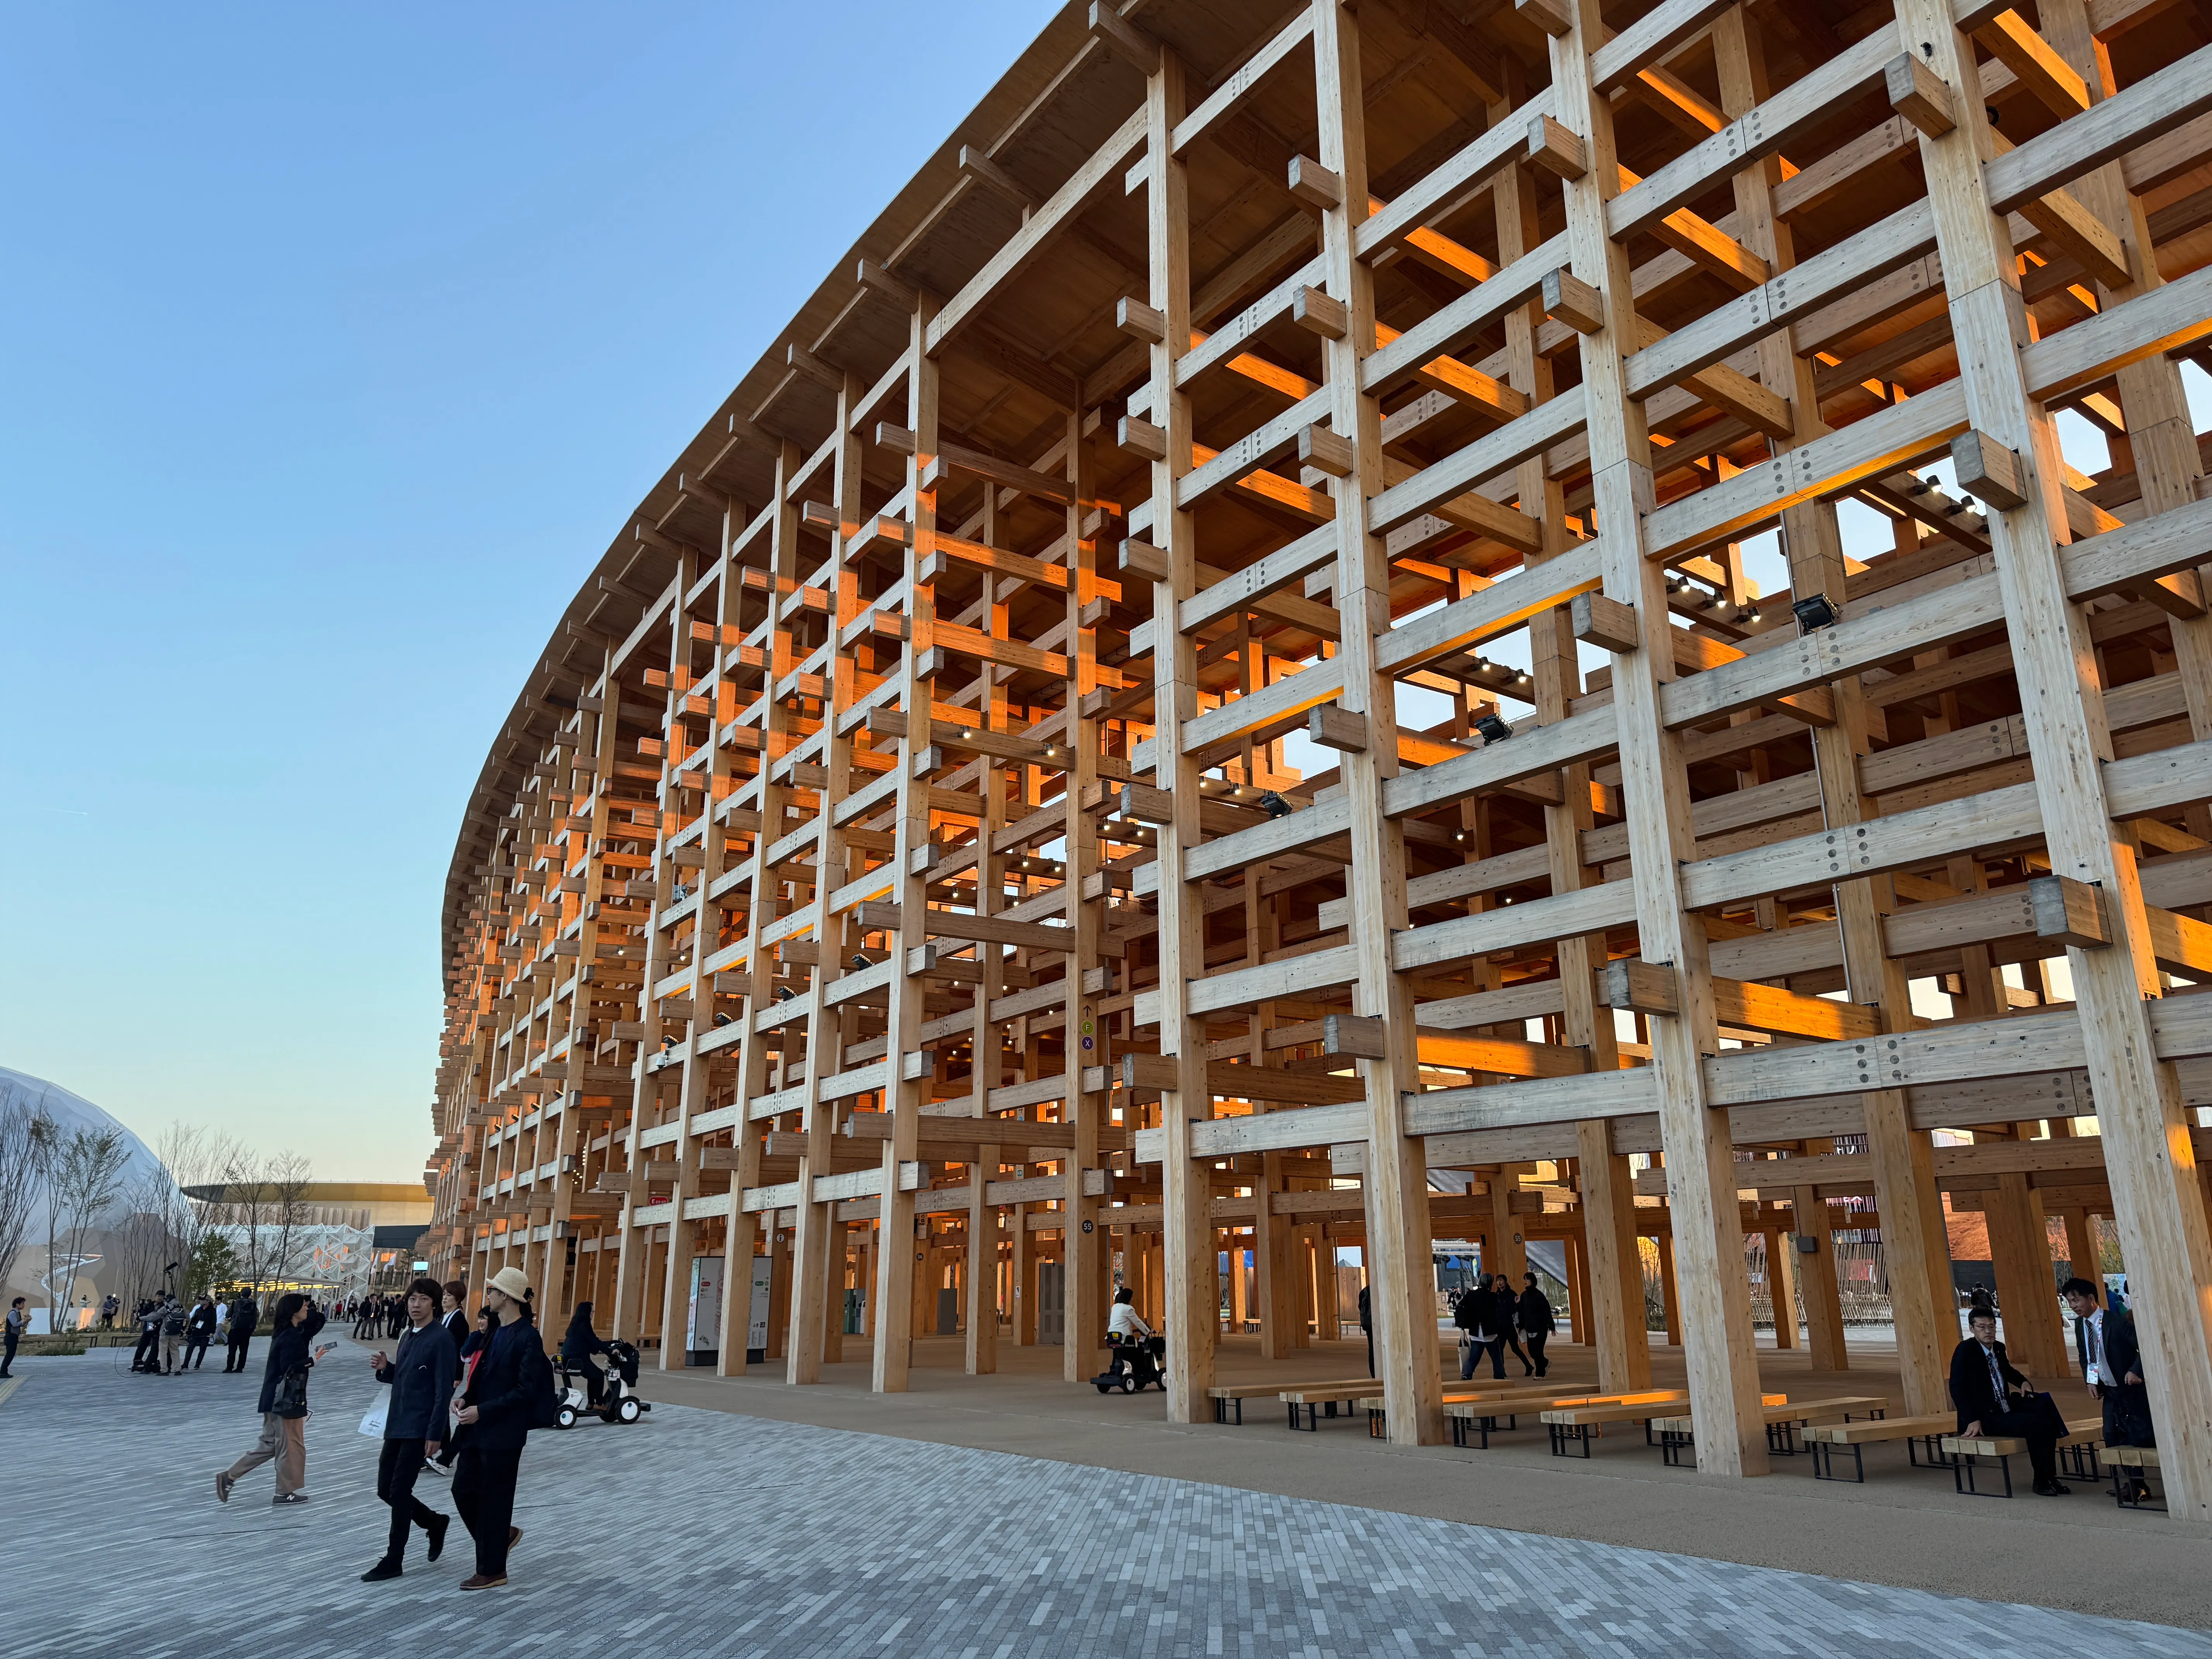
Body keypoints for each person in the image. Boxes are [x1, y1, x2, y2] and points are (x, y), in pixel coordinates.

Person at [452, 1266, 551, 1589]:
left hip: (504, 1432)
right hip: (478, 1427)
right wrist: (467, 1399)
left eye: (492, 1291)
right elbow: (484, 1378)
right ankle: (501, 1537)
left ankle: (493, 1569)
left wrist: (484, 1411)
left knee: (495, 1499)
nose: (488, 1296)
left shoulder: (528, 1337)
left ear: (506, 1297)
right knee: (463, 1491)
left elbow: (525, 1391)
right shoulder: (495, 1331)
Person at [361, 1277, 457, 1581]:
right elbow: (402, 1378)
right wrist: (386, 1369)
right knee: (385, 1489)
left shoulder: (441, 1339)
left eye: (424, 1300)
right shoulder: (407, 1336)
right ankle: (434, 1522)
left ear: (434, 1304)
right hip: (398, 1423)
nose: (416, 1305)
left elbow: (443, 1390)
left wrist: (435, 1433)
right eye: (412, 1299)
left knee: (400, 1491)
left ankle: (394, 1559)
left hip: (420, 1427)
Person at [216, 1292, 330, 1507]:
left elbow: (317, 1321)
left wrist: (309, 1306)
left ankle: (229, 1476)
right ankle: (284, 1492)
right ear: (293, 1311)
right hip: (285, 1401)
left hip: (274, 1398)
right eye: (304, 1306)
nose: (307, 1308)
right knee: (290, 1446)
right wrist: (314, 1359)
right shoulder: (290, 1336)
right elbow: (289, 1366)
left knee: (270, 1445)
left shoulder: (291, 1332)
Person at [1951, 1304, 2070, 1496]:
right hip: (1984, 1417)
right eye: (1982, 1327)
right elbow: (1957, 1387)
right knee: (2035, 1425)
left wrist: (2022, 1381)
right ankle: (2041, 1480)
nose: (1988, 1331)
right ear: (1972, 1329)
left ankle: (2049, 1477)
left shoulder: (1998, 1348)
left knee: (2046, 1420)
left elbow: (2006, 1370)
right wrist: (1971, 1418)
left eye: (1992, 1326)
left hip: (2005, 1409)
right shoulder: (1965, 1351)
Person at [2066, 1275, 2153, 1499]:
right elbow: (2087, 1356)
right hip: (2110, 1391)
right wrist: (2091, 1381)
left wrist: (2136, 1370)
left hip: (2131, 1389)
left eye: (2076, 1300)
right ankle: (2136, 1484)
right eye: (2069, 1301)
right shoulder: (2080, 1325)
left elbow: (2145, 1347)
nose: (2073, 1306)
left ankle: (2139, 1485)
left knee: (2138, 1436)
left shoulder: (2115, 1322)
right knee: (2111, 1436)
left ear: (2091, 1298)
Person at [560, 1302, 612, 1408]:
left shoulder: (576, 1323)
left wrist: (598, 1350)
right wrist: (611, 1353)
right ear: (586, 1312)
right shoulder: (584, 1324)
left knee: (593, 1376)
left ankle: (591, 1404)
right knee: (599, 1375)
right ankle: (598, 1404)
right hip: (578, 1360)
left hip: (569, 1358)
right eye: (592, 1312)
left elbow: (587, 1342)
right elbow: (594, 1341)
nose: (593, 1314)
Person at [1455, 1278, 1507, 1381]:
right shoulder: (1493, 1296)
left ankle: (1467, 1375)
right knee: (1497, 1358)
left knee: (1474, 1357)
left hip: (1475, 1331)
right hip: (1490, 1331)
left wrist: (1464, 1322)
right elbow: (1499, 1311)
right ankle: (1499, 1377)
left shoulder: (1471, 1295)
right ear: (1491, 1284)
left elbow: (1460, 1306)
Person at [1101, 1288, 1154, 1385]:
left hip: (1112, 1338)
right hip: (1124, 1339)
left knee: (1119, 1354)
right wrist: (1148, 1331)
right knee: (1140, 1351)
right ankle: (1139, 1372)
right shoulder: (1128, 1309)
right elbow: (1138, 1323)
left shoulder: (1115, 1307)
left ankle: (1117, 1369)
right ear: (1129, 1298)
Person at [1492, 1273, 1535, 1376]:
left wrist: (1520, 1324)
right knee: (1500, 1348)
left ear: (1506, 1282)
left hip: (1510, 1326)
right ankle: (1501, 1371)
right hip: (1500, 1327)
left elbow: (1518, 1310)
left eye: (1501, 1280)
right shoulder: (1496, 1296)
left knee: (1515, 1349)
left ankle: (1529, 1366)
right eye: (1498, 1281)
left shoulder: (1511, 1294)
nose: (1499, 1282)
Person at [1518, 1273, 1556, 1379]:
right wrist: (1520, 1326)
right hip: (1530, 1327)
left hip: (1541, 1328)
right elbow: (1522, 1312)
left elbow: (1547, 1311)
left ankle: (1540, 1374)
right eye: (1525, 1279)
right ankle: (1545, 1363)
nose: (1526, 1282)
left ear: (1533, 1281)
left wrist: (1551, 1326)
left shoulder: (1539, 1295)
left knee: (1538, 1351)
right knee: (1532, 1352)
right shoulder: (1524, 1296)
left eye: (1528, 1280)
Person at [224, 1289, 260, 1373]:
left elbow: (228, 1314)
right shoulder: (253, 1304)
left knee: (232, 1350)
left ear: (241, 1294)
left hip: (235, 1328)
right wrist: (253, 1328)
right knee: (243, 1350)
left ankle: (229, 1367)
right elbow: (255, 1316)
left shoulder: (236, 1303)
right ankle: (240, 1368)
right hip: (247, 1330)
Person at [183, 1294, 218, 1371]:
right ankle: (185, 1364)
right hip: (196, 1332)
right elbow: (193, 1320)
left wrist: (212, 1332)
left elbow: (214, 1322)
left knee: (202, 1350)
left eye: (203, 1300)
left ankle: (197, 1365)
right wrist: (189, 1331)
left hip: (205, 1333)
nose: (201, 1301)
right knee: (190, 1348)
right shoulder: (199, 1309)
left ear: (208, 1301)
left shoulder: (212, 1311)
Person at [131, 1297, 165, 1372]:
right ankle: (137, 1360)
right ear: (156, 1297)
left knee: (155, 1346)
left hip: (158, 1328)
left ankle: (152, 1361)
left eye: (162, 1297)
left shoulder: (164, 1306)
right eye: (159, 1296)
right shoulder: (149, 1306)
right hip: (148, 1327)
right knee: (143, 1343)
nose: (160, 1298)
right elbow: (144, 1314)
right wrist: (143, 1318)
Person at [160, 1293, 188, 1376]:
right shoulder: (182, 1308)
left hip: (164, 1333)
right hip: (176, 1333)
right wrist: (184, 1329)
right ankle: (177, 1370)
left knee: (163, 1352)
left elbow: (155, 1316)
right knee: (175, 1351)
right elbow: (188, 1318)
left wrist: (141, 1318)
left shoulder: (166, 1308)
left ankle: (164, 1370)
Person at [440, 1281, 470, 1351]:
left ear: (458, 1298)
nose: (445, 1298)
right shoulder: (443, 1315)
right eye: (444, 1294)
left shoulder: (459, 1321)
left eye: (449, 1295)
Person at [2, 1297, 24, 1378]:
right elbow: (15, 1324)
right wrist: (23, 1322)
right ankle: (2, 1372)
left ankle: (4, 1371)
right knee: (10, 1354)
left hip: (14, 1337)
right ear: (17, 1304)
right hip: (11, 1336)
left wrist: (25, 1322)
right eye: (22, 1303)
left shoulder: (17, 1313)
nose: (24, 1305)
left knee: (11, 1354)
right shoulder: (12, 1313)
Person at [1357, 1284, 1372, 1378]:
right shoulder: (1380, 1289)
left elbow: (1360, 1307)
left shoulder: (1364, 1292)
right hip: (1379, 1324)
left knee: (1372, 1350)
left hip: (1368, 1324)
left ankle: (1374, 1374)